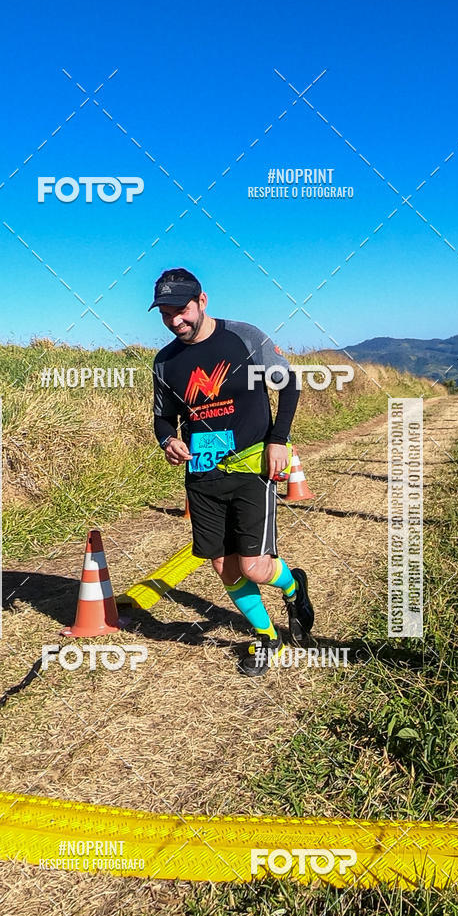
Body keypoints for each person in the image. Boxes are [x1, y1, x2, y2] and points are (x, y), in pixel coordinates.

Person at [150, 267, 314, 676]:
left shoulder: (243, 337)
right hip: (202, 475)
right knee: (224, 567)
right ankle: (267, 637)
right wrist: (168, 441)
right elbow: (163, 418)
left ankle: (293, 587)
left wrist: (279, 439)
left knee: (254, 566)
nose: (175, 321)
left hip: (251, 467)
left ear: (202, 301)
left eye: (182, 310)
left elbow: (289, 384)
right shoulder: (165, 362)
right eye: (166, 313)